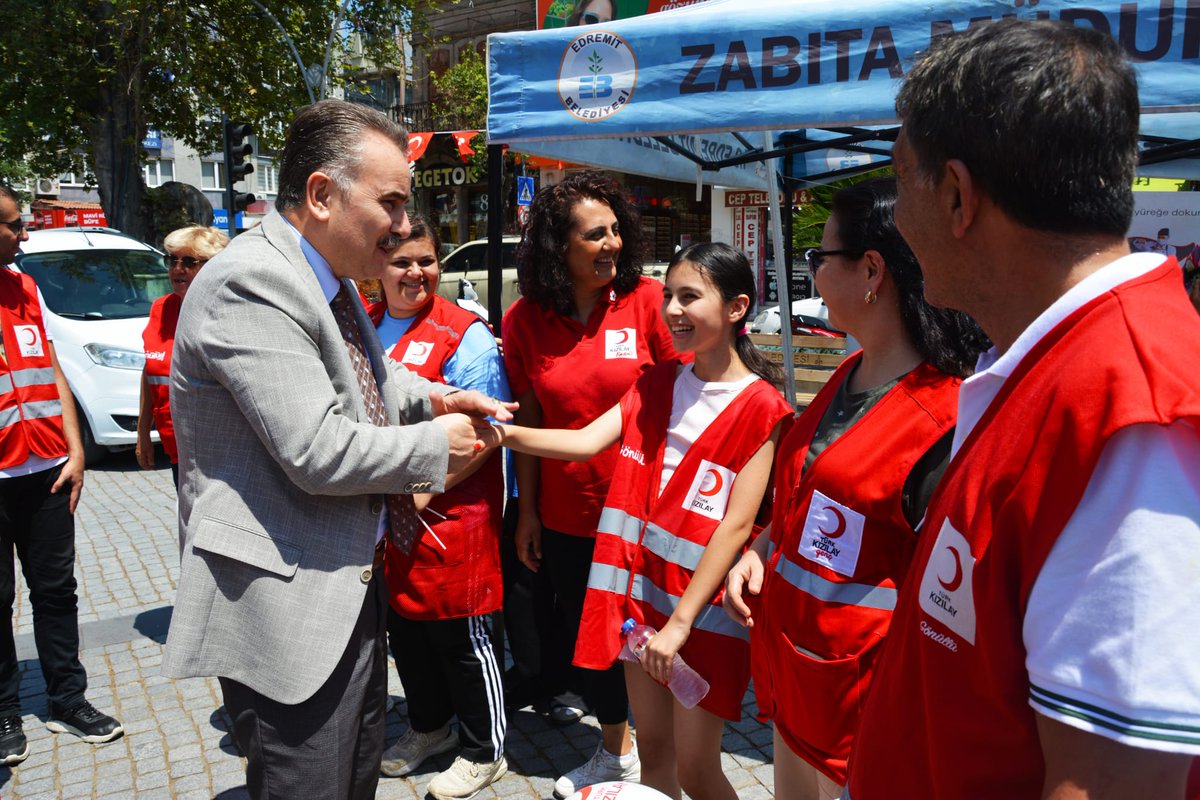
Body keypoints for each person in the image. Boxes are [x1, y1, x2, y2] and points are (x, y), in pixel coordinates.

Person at [842, 20, 1200, 798]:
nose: (897, 219)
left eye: (901, 179)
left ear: (958, 196)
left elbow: (1111, 784)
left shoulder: (1133, 413)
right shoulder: (1065, 365)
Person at [161, 100, 513, 800]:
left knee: (350, 778)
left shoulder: (328, 280)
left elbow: (374, 377)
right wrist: (433, 444)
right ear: (321, 195)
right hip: (286, 606)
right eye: (391, 202)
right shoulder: (252, 281)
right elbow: (316, 448)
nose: (404, 225)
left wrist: (439, 398)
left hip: (342, 583)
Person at [722, 178, 987, 800]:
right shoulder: (852, 368)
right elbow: (811, 495)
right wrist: (761, 549)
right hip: (800, 685)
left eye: (820, 257)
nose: (811, 275)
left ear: (872, 270)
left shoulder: (943, 421)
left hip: (864, 713)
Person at [500, 242, 790, 800]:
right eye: (669, 296)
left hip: (702, 615)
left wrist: (681, 624)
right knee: (654, 753)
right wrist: (502, 434)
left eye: (689, 297)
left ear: (736, 308)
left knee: (697, 770)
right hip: (643, 604)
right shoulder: (656, 381)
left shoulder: (762, 407)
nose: (673, 310)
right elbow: (585, 441)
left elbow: (734, 527)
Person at [502, 169, 679, 797]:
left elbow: (685, 397)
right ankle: (615, 752)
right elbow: (529, 415)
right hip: (569, 511)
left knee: (653, 629)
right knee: (595, 632)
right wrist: (526, 511)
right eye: (594, 235)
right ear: (557, 248)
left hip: (649, 509)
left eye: (615, 232)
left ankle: (667, 756)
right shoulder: (524, 320)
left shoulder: (650, 301)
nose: (612, 245)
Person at [367, 215, 510, 800]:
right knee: (407, 631)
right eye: (402, 261)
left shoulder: (464, 334)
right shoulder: (364, 327)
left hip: (453, 515)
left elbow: (490, 429)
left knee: (463, 639)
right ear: (378, 267)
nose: (416, 273)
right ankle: (429, 726)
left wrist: (423, 489)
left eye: (426, 261)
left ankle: (485, 751)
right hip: (386, 519)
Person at [0, 183, 123, 766]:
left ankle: (68, 700)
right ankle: (4, 711)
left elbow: (49, 368)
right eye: (11, 224)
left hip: (46, 467)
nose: (23, 234)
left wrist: (76, 451)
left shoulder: (23, 284)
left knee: (55, 592)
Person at [135, 225, 229, 487]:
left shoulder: (227, 310)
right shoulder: (160, 309)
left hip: (219, 451)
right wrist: (143, 432)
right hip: (177, 446)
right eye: (172, 260)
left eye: (189, 261)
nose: (177, 269)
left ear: (213, 266)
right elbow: (150, 371)